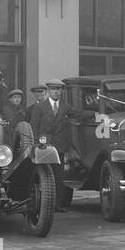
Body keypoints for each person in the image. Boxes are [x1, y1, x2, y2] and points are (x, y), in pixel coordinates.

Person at [28, 79, 78, 209]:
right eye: (53, 90)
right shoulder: (39, 107)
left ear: (61, 92)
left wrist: (97, 114)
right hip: (43, 146)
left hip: (59, 146)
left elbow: (78, 114)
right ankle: (42, 204)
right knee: (43, 175)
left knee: (58, 176)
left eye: (58, 90)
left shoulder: (65, 106)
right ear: (49, 91)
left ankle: (57, 205)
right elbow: (34, 126)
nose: (56, 92)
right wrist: (34, 144)